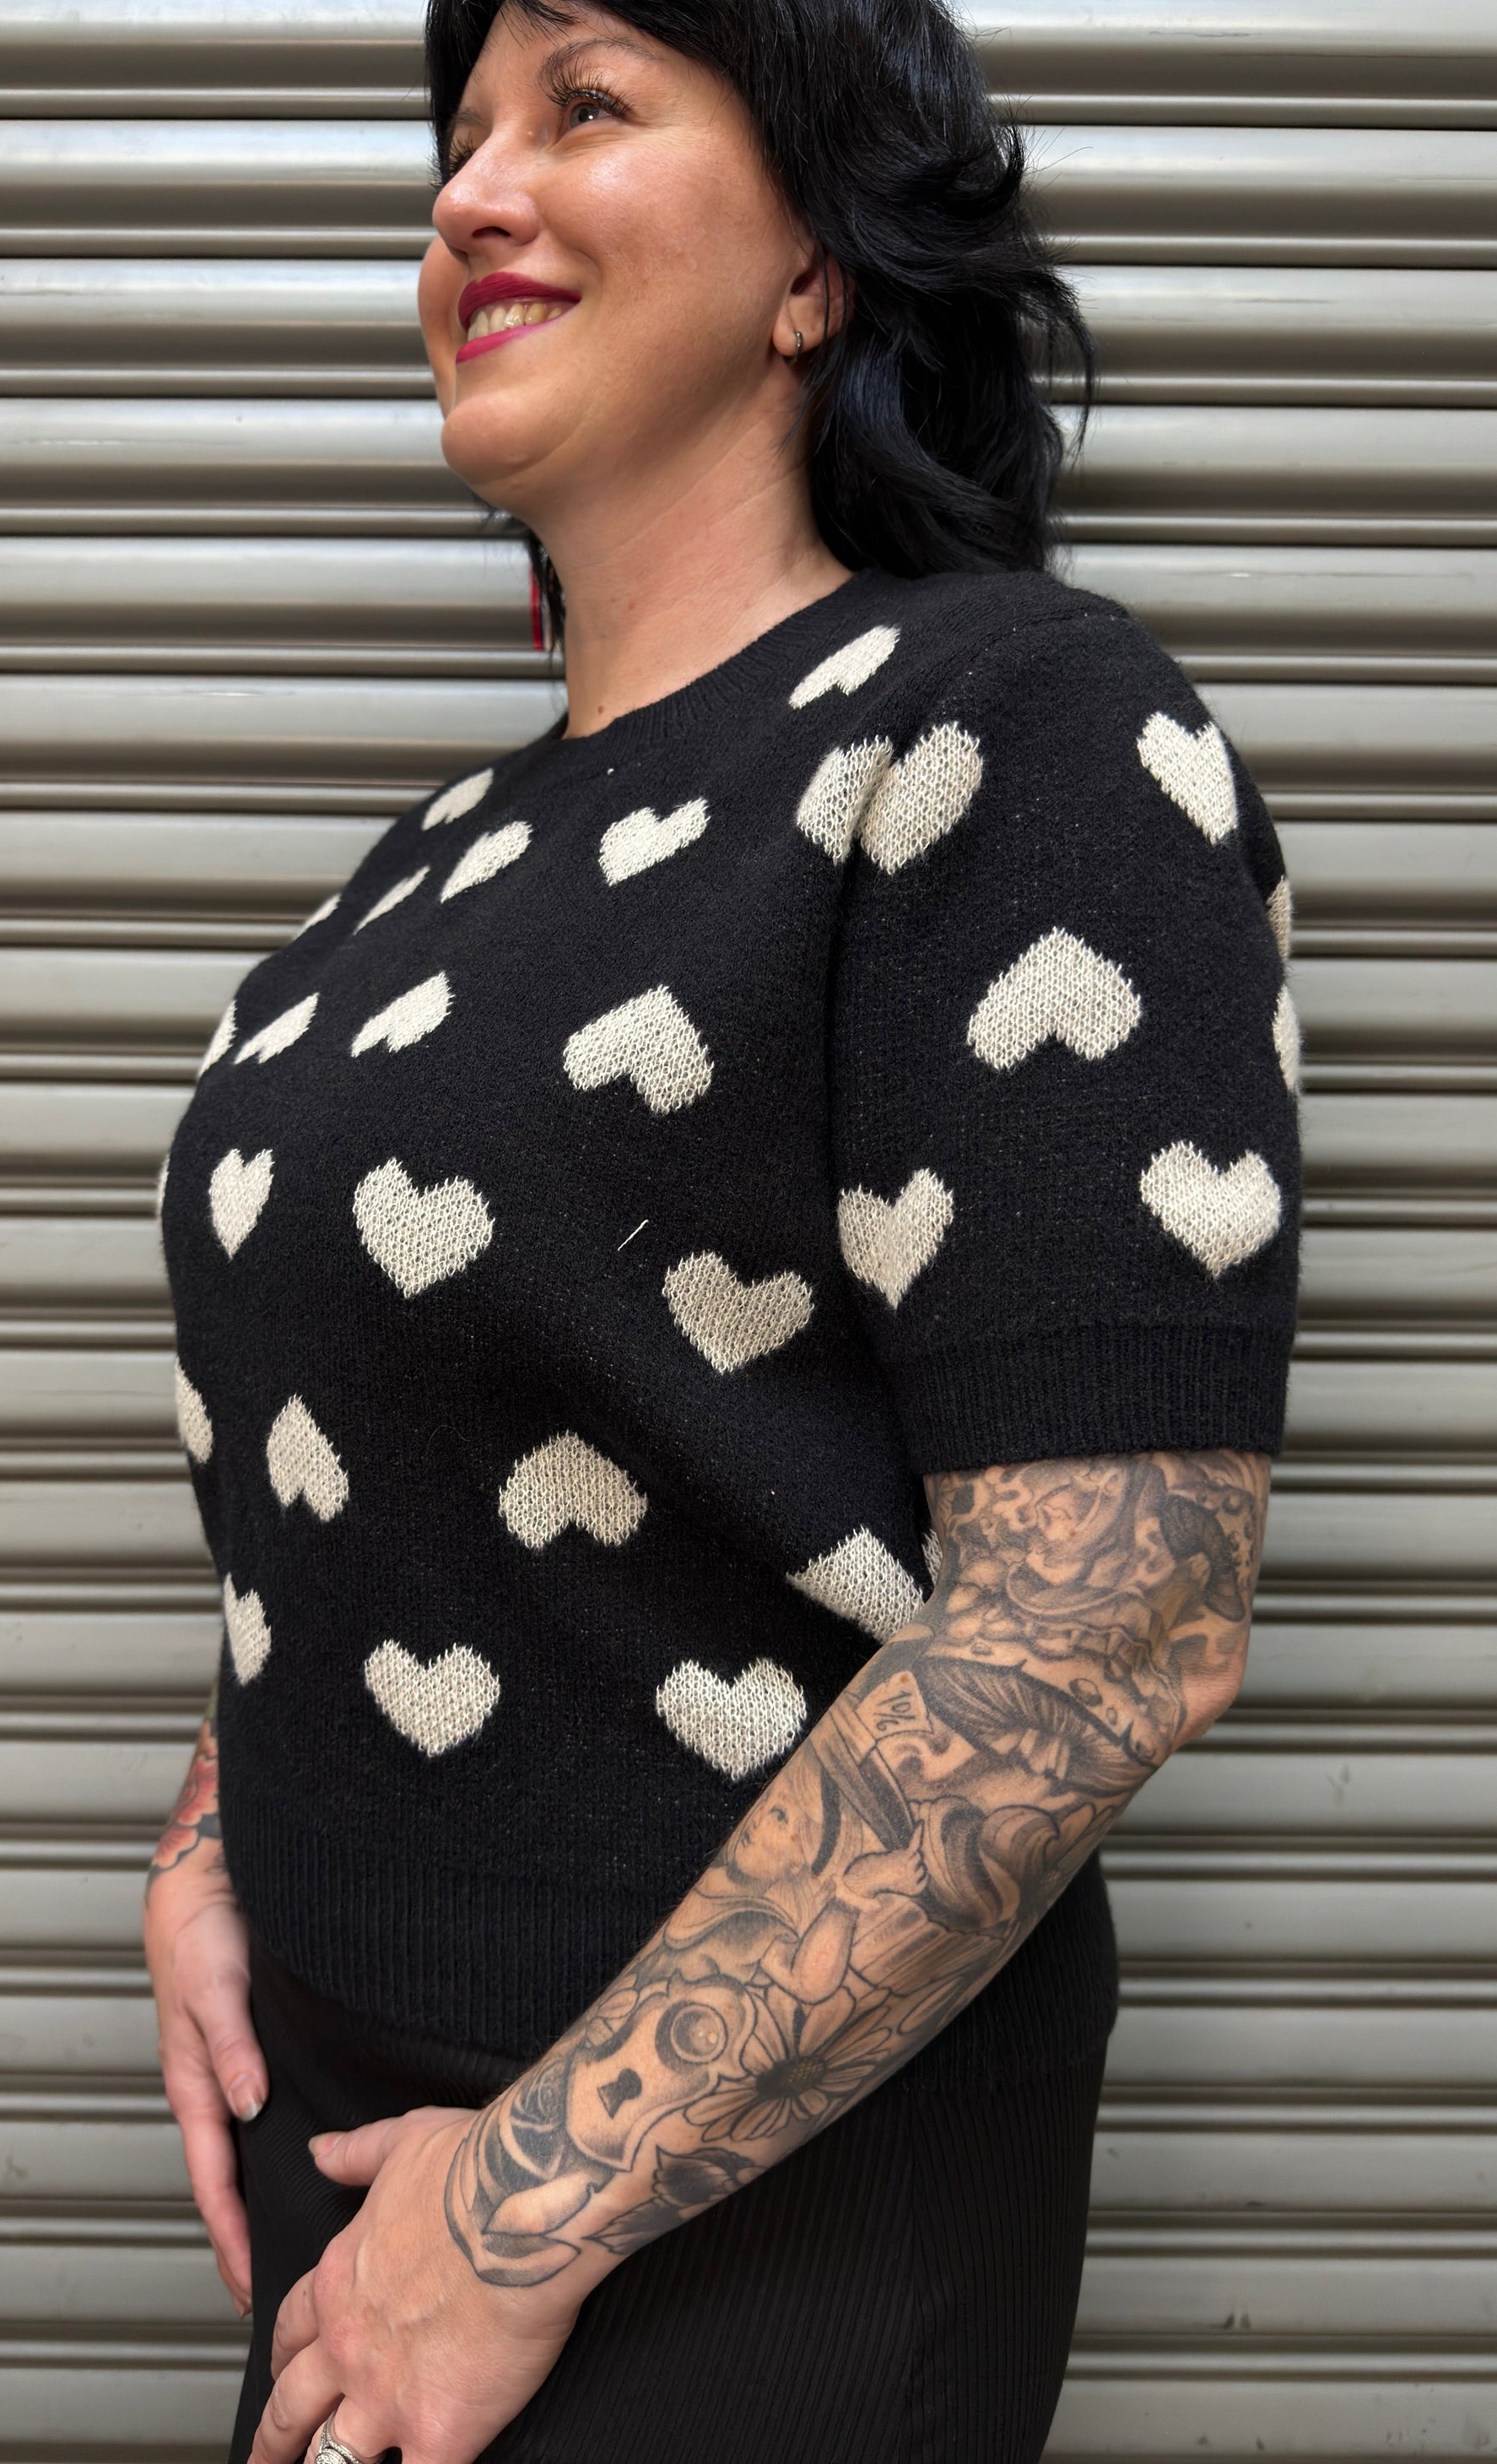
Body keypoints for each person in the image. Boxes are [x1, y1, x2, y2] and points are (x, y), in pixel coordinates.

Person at [143, 0, 1302, 2457]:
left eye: (582, 103)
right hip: (367, 2139)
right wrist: (222, 1817)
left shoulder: (1008, 728)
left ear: (811, 262)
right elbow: (394, 1429)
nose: (466, 194)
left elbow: (1111, 1621)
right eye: (455, 135)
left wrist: (520, 2216)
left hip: (741, 2197)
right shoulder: (430, 868)